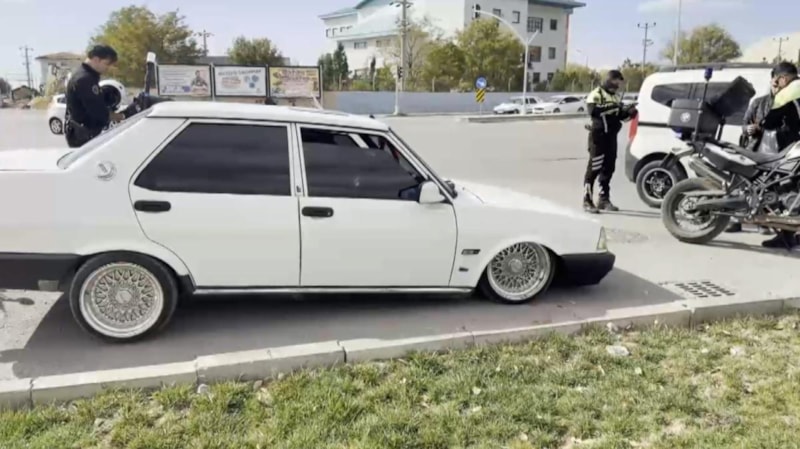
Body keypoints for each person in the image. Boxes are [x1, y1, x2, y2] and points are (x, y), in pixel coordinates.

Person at [726, 81, 780, 234]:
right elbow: (744, 124)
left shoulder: (791, 104)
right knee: (743, 185)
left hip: (777, 155)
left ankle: (764, 223)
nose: (777, 88)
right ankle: (735, 220)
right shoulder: (758, 103)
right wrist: (748, 129)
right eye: (775, 85)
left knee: (770, 189)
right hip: (755, 150)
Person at [756, 62, 800, 248]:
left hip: (794, 148)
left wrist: (775, 96)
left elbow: (769, 123)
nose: (775, 83)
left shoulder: (787, 93)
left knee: (786, 188)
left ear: (783, 78)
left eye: (776, 80)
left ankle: (786, 236)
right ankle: (787, 236)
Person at [582, 70, 638, 213]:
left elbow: (621, 117)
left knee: (608, 168)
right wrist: (614, 107)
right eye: (616, 82)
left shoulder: (616, 97)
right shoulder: (596, 94)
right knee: (594, 168)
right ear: (609, 80)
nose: (617, 86)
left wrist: (629, 113)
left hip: (611, 137)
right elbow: (593, 111)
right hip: (598, 136)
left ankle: (603, 199)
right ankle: (587, 200)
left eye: (619, 83)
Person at [64, 45, 126, 148]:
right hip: (84, 136)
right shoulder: (85, 79)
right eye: (107, 64)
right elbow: (99, 112)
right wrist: (124, 116)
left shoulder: (86, 76)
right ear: (96, 59)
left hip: (83, 133)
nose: (108, 68)